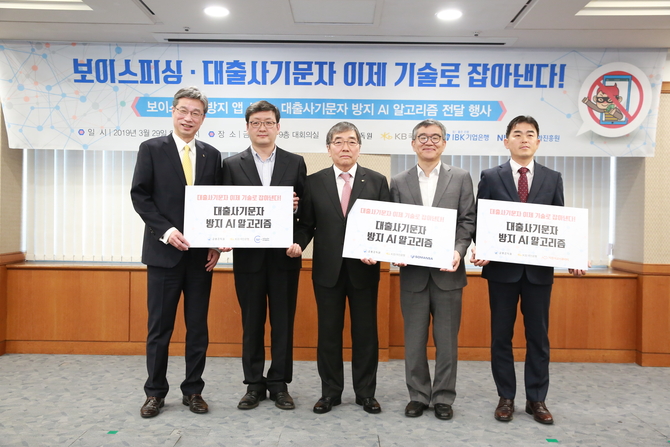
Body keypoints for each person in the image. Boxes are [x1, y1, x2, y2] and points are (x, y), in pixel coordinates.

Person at [470, 115, 586, 425]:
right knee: (501, 337)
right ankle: (506, 397)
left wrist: (574, 254)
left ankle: (537, 399)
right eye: (518, 134)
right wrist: (481, 247)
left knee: (538, 338)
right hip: (501, 272)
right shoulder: (490, 177)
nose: (524, 139)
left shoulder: (552, 178)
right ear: (506, 141)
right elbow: (481, 220)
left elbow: (561, 224)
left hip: (538, 273)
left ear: (538, 141)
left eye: (530, 134)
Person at [130, 86, 222, 418]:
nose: (188, 117)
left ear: (203, 118)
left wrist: (215, 242)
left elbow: (218, 203)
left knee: (198, 328)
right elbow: (140, 196)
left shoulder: (212, 155)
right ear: (173, 111)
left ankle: (193, 390)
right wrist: (167, 232)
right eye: (183, 110)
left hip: (200, 259)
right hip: (163, 256)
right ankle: (154, 393)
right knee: (160, 329)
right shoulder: (151, 149)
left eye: (196, 113)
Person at [288, 121, 389, 414]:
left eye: (351, 142)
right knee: (329, 334)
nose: (345, 147)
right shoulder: (314, 181)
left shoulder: (377, 181)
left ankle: (366, 393)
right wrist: (298, 243)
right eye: (339, 142)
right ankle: (330, 392)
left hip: (364, 270)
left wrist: (377, 251)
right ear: (329, 148)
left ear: (359, 147)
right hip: (327, 272)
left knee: (366, 334)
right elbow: (306, 224)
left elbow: (385, 224)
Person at [222, 100, 306, 411]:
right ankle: (254, 384)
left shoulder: (295, 162)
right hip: (248, 259)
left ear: (278, 127)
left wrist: (299, 239)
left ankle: (280, 384)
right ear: (247, 127)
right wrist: (222, 239)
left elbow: (306, 211)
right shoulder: (231, 165)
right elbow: (225, 209)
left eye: (268, 122)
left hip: (285, 258)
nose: (262, 128)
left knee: (283, 323)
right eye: (256, 122)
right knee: (252, 323)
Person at [390, 119, 475, 420]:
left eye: (436, 137)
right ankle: (417, 395)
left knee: (447, 342)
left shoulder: (461, 177)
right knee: (413, 341)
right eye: (423, 137)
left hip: (448, 273)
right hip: (413, 274)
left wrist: (458, 250)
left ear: (444, 143)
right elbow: (394, 224)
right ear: (413, 143)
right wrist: (395, 251)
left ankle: (443, 397)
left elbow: (467, 220)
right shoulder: (398, 181)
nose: (429, 142)